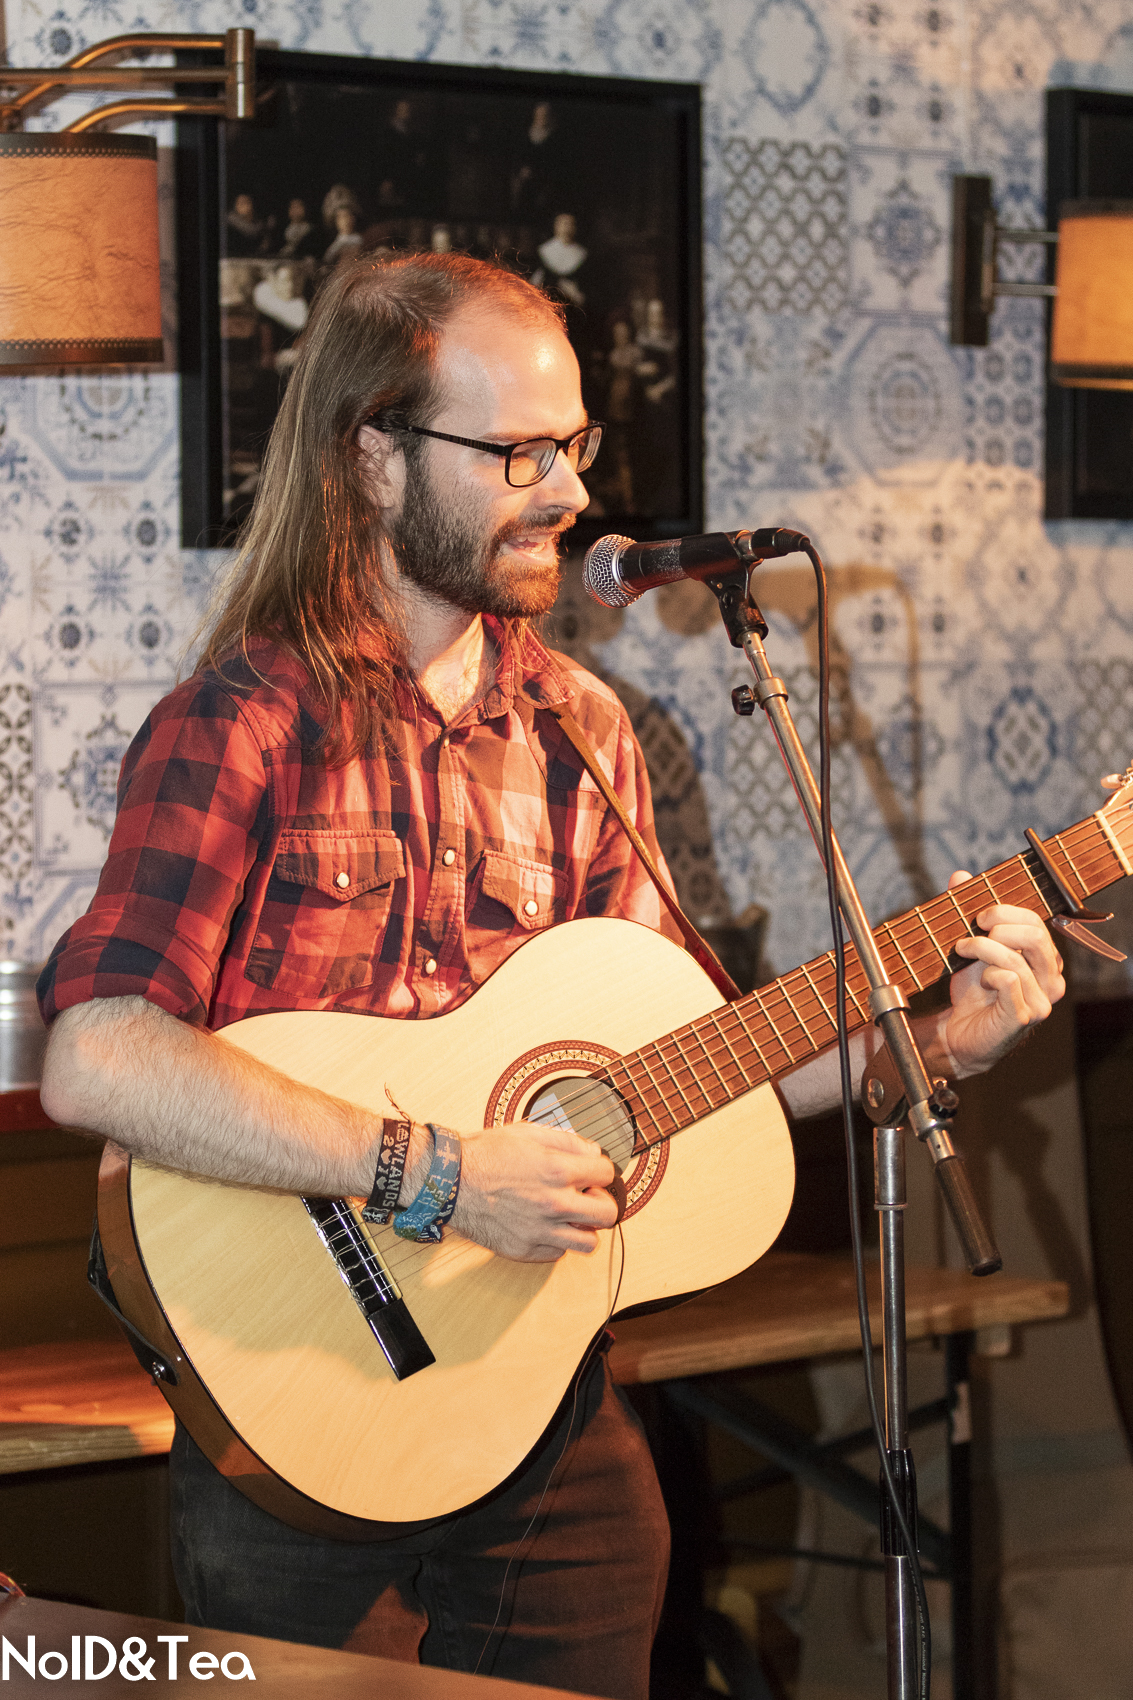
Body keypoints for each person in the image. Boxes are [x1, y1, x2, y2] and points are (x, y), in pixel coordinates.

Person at [36, 252, 1064, 1700]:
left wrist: (937, 1039)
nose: (570, 492)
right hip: (298, 1391)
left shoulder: (582, 727)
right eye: (517, 452)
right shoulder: (247, 721)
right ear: (374, 457)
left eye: (573, 443)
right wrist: (437, 1174)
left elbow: (689, 1073)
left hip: (537, 1379)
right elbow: (99, 1056)